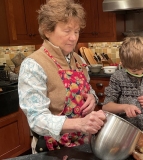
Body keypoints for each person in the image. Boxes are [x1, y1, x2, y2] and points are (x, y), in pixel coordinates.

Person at [18, 0, 106, 153]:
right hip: (52, 149)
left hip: (83, 142)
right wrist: (79, 124)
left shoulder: (79, 60)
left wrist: (92, 98)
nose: (73, 38)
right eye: (67, 31)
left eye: (77, 31)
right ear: (47, 30)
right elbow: (36, 118)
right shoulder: (33, 65)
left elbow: (89, 90)